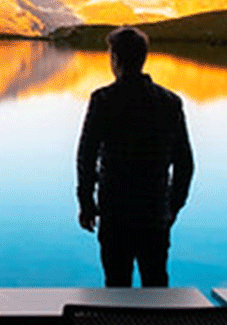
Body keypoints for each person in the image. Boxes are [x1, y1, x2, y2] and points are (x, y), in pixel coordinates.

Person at [76, 25, 195, 288]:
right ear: (143, 58)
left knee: (116, 283)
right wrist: (173, 205)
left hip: (114, 210)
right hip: (154, 210)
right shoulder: (170, 102)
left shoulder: (104, 100)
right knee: (156, 281)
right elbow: (184, 163)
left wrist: (86, 202)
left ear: (115, 60)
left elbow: (87, 156)